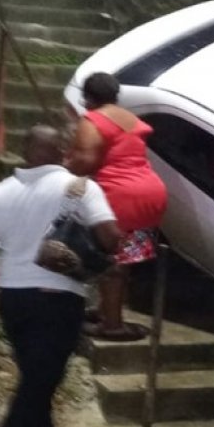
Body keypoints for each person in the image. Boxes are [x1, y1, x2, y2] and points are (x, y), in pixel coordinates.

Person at [0, 125, 121, 427]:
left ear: (23, 152)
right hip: (58, 298)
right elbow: (111, 236)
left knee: (37, 378)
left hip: (13, 300)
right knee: (36, 385)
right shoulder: (79, 188)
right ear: (62, 151)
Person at [66, 72, 168, 341]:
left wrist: (61, 167)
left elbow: (85, 161)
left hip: (120, 196)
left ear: (88, 98)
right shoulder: (130, 119)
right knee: (125, 258)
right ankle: (105, 311)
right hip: (150, 194)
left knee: (111, 260)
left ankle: (112, 325)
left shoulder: (93, 120)